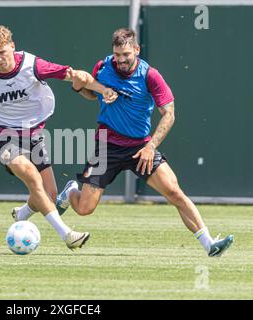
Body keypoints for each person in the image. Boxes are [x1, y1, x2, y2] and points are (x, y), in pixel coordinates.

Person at [56, 28, 234, 257]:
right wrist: (79, 87)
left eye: (126, 55)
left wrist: (151, 147)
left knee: (174, 191)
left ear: (137, 50)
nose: (120, 60)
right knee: (84, 209)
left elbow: (169, 114)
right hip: (106, 145)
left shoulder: (150, 75)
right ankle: (71, 190)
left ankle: (210, 244)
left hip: (140, 147)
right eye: (117, 55)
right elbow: (93, 94)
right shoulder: (103, 66)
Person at [0, 25, 117, 250]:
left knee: (49, 194)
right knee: (32, 176)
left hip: (33, 134)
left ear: (12, 47)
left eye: (2, 52)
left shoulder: (32, 65)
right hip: (1, 135)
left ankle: (23, 213)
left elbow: (73, 75)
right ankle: (67, 235)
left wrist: (102, 90)